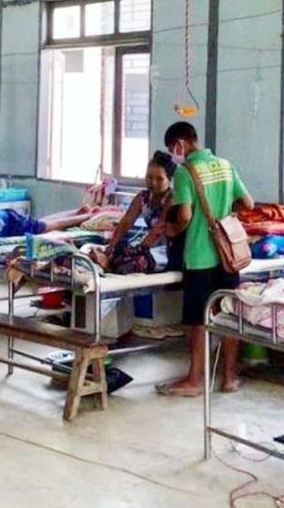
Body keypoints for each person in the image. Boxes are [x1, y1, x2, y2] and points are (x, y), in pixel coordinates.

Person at [156, 122, 254, 397]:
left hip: (200, 256)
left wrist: (173, 230)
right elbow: (248, 203)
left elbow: (185, 215)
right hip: (228, 256)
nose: (174, 155)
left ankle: (195, 380)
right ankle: (229, 378)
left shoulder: (186, 173)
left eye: (172, 150)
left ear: (180, 145)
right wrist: (224, 213)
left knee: (199, 320)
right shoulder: (225, 165)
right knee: (228, 314)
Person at [91, 151, 183, 274]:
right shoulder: (143, 197)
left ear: (169, 179)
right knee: (119, 250)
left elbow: (157, 232)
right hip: (148, 247)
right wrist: (110, 248)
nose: (153, 183)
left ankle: (109, 267)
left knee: (136, 261)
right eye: (149, 177)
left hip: (165, 251)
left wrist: (139, 249)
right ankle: (108, 264)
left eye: (159, 179)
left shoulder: (172, 199)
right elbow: (125, 223)